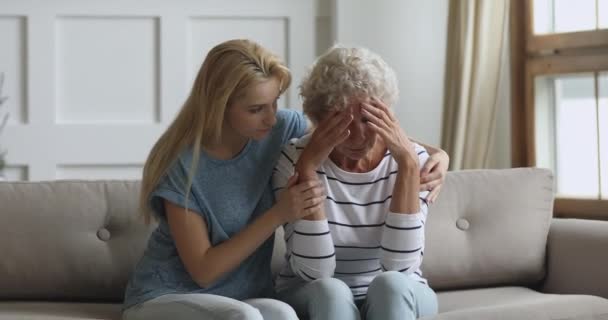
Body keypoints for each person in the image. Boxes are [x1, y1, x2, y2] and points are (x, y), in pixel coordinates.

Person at [122, 39, 447, 320]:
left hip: (244, 296)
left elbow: (352, 134)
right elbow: (204, 271)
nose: (272, 115)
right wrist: (279, 213)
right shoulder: (183, 167)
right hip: (169, 295)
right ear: (218, 106)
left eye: (276, 101)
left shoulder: (278, 128)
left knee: (284, 314)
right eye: (256, 108)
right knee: (246, 316)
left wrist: (436, 154)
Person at [273, 45, 445, 320]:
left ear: (386, 114)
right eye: (343, 121)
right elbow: (315, 272)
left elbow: (400, 267)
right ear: (319, 118)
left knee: (391, 284)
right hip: (311, 293)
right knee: (330, 291)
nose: (357, 136)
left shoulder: (413, 161)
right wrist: (308, 168)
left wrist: (409, 166)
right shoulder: (293, 158)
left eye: (368, 119)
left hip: (400, 292)